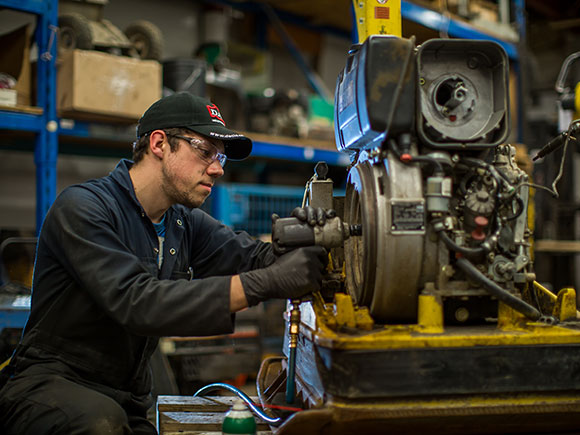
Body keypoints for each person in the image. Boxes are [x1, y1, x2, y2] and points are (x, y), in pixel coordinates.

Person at [0, 92, 327, 434]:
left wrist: (302, 239)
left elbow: (253, 256)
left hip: (126, 397)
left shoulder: (181, 222)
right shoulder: (83, 208)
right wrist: (265, 283)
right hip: (50, 386)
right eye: (204, 151)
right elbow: (138, 301)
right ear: (159, 144)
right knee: (100, 424)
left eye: (221, 158)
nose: (216, 169)